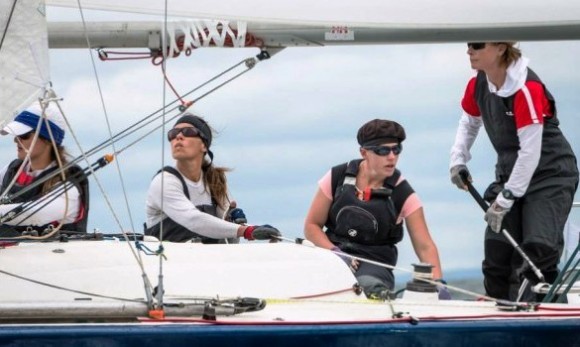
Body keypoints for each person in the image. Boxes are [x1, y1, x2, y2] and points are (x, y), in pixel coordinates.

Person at [450, 42, 579, 301]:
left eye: (476, 45)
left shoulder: (526, 88)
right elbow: (469, 121)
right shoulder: (478, 84)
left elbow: (530, 153)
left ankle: (547, 321)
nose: (469, 51)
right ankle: (502, 322)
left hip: (549, 175)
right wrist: (458, 159)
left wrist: (506, 199)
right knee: (497, 257)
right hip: (510, 173)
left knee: (537, 254)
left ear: (500, 48)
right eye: (468, 45)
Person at [304, 119, 448, 299]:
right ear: (364, 152)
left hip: (374, 270)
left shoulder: (403, 194)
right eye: (383, 150)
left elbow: (425, 247)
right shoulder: (336, 177)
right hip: (333, 258)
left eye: (396, 149)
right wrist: (335, 253)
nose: (391, 157)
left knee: (367, 286)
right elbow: (312, 226)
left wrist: (439, 286)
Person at [144, 113, 280, 243]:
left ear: (203, 145)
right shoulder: (164, 182)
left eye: (188, 132)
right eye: (173, 133)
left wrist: (230, 216)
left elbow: (224, 232)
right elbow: (193, 220)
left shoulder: (215, 182)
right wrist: (246, 231)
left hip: (208, 261)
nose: (178, 136)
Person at [0, 101, 89, 237]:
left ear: (47, 139)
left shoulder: (69, 183)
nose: (16, 141)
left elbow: (34, 214)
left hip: (57, 256)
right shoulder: (12, 170)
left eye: (24, 135)